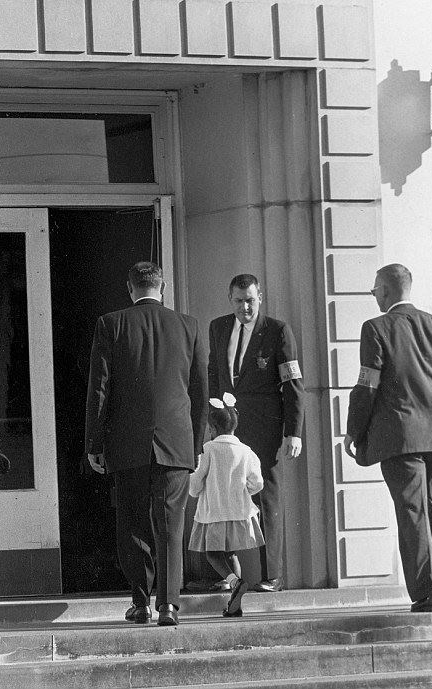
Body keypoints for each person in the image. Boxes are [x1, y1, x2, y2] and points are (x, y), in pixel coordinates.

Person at [85, 261, 208, 626]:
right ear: (162, 287)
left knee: (133, 523)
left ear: (130, 288)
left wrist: (94, 442)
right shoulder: (189, 326)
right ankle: (169, 605)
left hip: (126, 442)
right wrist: (196, 443)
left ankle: (140, 602)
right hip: (176, 442)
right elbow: (201, 390)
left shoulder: (111, 324)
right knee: (171, 524)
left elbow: (99, 389)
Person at [344, 263, 432, 613]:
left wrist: (354, 430)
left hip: (400, 436)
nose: (374, 297)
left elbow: (367, 385)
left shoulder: (375, 328)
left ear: (384, 291)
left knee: (411, 511)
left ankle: (428, 592)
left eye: (374, 291)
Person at [208, 274, 305, 592]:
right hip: (228, 429)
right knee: (226, 498)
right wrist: (212, 419)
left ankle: (271, 575)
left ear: (260, 297)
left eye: (250, 300)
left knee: (265, 498)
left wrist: (294, 431)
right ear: (230, 299)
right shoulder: (219, 327)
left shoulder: (277, 331)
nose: (244, 307)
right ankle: (229, 576)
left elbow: (292, 384)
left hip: (265, 428)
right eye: (238, 300)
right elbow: (213, 374)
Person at [189, 393, 264, 617]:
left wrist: (195, 491)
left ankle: (234, 582)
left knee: (213, 555)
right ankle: (235, 604)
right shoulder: (246, 451)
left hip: (214, 513)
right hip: (238, 513)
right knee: (231, 555)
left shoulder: (208, 450)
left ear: (212, 428)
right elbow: (257, 482)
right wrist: (243, 492)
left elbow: (196, 482)